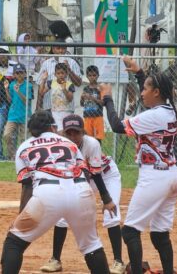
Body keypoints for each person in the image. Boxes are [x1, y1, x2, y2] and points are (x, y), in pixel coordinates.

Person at [0, 111, 112, 274]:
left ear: (31, 130)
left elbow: (27, 186)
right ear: (52, 127)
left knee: (14, 243)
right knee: (91, 245)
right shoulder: (69, 143)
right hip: (82, 191)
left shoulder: (24, 146)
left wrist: (20, 215)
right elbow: (85, 172)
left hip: (47, 193)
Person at [101, 57, 177, 274]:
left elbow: (117, 126)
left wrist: (107, 98)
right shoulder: (170, 109)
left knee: (129, 232)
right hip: (171, 174)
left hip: (155, 177)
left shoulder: (154, 116)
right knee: (159, 234)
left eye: (146, 89)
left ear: (157, 92)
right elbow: (152, 95)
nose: (142, 92)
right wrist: (139, 74)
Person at [39, 114, 125, 274]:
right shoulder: (60, 145)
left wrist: (106, 200)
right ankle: (55, 260)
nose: (73, 136)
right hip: (84, 178)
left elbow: (96, 175)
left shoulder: (91, 144)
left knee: (111, 214)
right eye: (69, 133)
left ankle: (118, 262)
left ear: (83, 132)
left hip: (106, 175)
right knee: (63, 214)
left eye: (76, 132)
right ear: (63, 132)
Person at [36, 40, 82, 111]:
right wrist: (38, 106)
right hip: (49, 107)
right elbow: (40, 85)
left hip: (67, 108)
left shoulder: (72, 63)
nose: (61, 51)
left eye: (63, 48)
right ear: (53, 49)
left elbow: (78, 83)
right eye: (58, 48)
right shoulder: (46, 64)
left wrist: (69, 70)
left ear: (66, 49)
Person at [3, 64, 33, 160]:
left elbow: (27, 101)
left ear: (25, 74)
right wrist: (7, 89)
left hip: (25, 115)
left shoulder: (29, 85)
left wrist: (19, 91)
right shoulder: (12, 85)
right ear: (14, 74)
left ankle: (23, 157)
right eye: (17, 73)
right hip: (13, 115)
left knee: (24, 138)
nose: (19, 75)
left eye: (21, 73)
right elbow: (10, 100)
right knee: (7, 135)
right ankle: (13, 155)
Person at [40, 63, 76, 130]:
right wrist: (43, 80)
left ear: (66, 74)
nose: (60, 75)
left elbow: (70, 99)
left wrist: (64, 89)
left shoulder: (69, 84)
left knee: (66, 130)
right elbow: (41, 93)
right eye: (58, 73)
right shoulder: (51, 83)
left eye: (62, 73)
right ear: (55, 74)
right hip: (55, 112)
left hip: (67, 111)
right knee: (58, 130)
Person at [80, 65, 105, 143]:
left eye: (94, 75)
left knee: (98, 137)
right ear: (87, 76)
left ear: (98, 76)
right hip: (87, 116)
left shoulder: (100, 88)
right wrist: (82, 98)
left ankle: (98, 152)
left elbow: (103, 103)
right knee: (88, 138)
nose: (92, 77)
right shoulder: (86, 88)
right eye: (90, 75)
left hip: (98, 116)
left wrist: (91, 98)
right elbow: (82, 104)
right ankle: (90, 153)